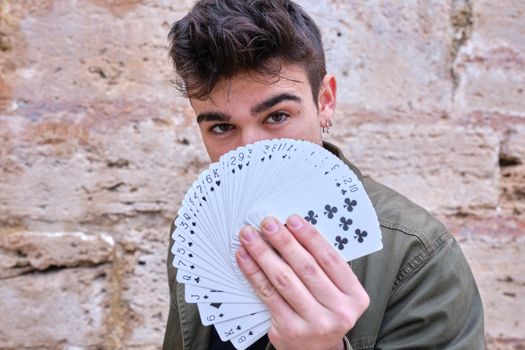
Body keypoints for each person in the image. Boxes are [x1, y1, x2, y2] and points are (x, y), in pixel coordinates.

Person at [163, 1, 484, 349]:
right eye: (222, 127)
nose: (251, 152)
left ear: (325, 101)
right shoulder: (198, 231)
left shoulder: (419, 257)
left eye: (276, 116)